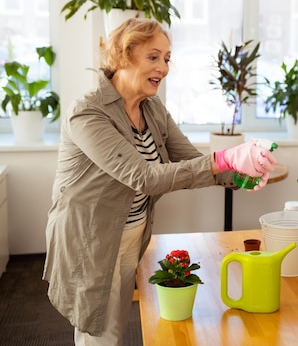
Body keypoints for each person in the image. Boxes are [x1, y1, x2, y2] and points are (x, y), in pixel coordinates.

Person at [42, 18, 277, 346]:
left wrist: (243, 175)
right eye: (153, 57)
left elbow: (188, 158)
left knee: (116, 323)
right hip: (91, 239)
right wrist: (224, 159)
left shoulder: (151, 108)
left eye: (167, 58)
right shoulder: (88, 112)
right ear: (124, 56)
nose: (164, 67)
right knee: (97, 331)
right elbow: (143, 177)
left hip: (132, 234)